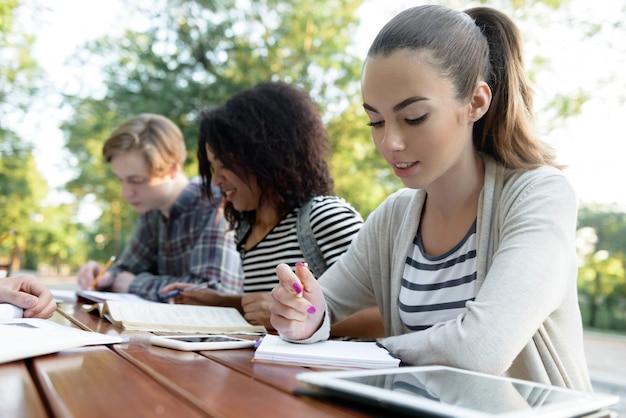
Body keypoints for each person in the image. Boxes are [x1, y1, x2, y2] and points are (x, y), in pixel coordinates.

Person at [269, 5, 591, 391]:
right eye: (375, 120)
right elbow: (321, 306)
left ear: (475, 103)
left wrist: (369, 353)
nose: (389, 142)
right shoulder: (394, 216)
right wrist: (301, 316)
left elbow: (480, 348)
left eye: (415, 116)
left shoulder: (539, 195)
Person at [162, 82, 382, 337]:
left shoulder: (324, 217)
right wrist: (221, 300)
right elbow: (268, 308)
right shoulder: (247, 232)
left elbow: (384, 315)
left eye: (224, 165)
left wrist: (298, 320)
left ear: (265, 157)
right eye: (212, 168)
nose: (216, 180)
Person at [76, 113, 243, 301]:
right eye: (120, 180)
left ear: (173, 169)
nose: (126, 193)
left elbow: (213, 291)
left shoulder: (214, 202)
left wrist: (134, 284)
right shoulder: (151, 208)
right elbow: (127, 269)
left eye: (136, 180)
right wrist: (105, 276)